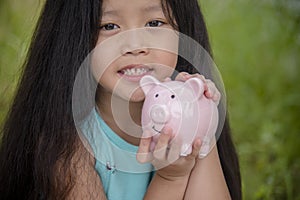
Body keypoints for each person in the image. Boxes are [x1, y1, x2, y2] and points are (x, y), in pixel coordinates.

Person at [0, 0, 241, 199]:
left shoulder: (186, 118)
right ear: (75, 37)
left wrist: (201, 121)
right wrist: (171, 178)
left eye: (154, 23)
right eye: (109, 26)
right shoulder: (67, 148)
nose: (135, 46)